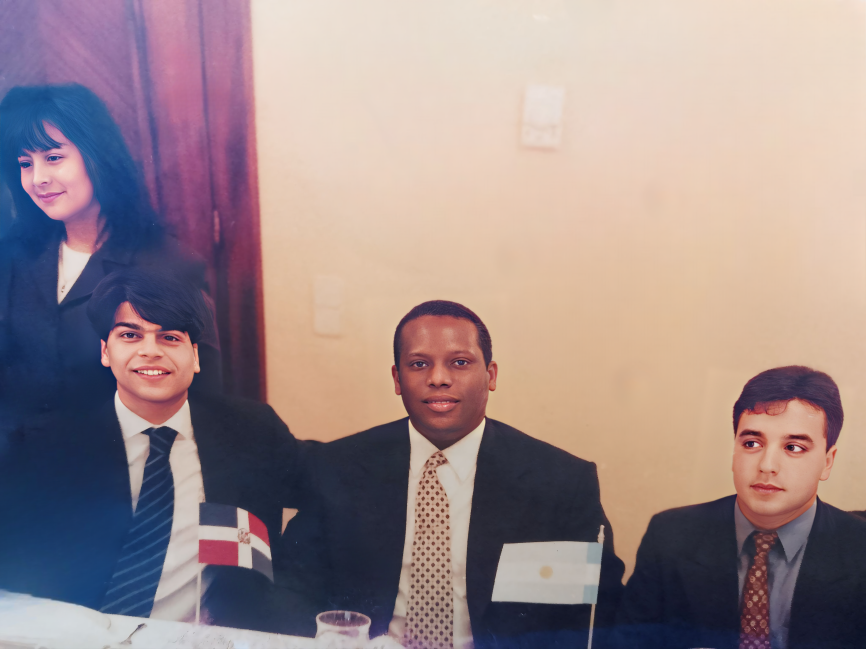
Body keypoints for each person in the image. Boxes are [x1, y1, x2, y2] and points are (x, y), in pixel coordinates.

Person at [279, 300, 625, 649]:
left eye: (460, 362)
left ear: (490, 375)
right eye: (419, 364)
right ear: (397, 379)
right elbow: (293, 590)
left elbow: (591, 618)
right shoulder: (337, 467)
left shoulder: (561, 482)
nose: (438, 379)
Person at [0, 268, 299, 632]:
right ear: (105, 351)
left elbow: (332, 480)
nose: (150, 351)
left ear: (195, 356)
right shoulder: (45, 446)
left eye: (169, 337)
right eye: (130, 335)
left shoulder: (251, 431)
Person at [0, 83, 220, 437]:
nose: (38, 179)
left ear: (97, 156)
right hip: (18, 460)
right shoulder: (13, 255)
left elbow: (201, 401)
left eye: (53, 158)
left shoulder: (170, 264)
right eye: (25, 164)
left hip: (117, 460)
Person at [615, 365, 866, 649]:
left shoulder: (860, 549)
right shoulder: (671, 535)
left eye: (793, 448)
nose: (767, 466)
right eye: (752, 443)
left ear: (828, 462)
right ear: (734, 450)